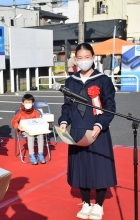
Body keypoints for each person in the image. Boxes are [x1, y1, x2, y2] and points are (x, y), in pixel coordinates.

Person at [58, 43, 116, 220]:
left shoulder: (103, 80)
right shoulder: (71, 81)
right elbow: (67, 106)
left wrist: (100, 125)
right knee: (81, 167)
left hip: (97, 129)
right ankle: (85, 203)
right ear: (76, 59)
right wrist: (64, 121)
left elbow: (110, 106)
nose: (83, 61)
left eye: (87, 57)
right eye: (80, 58)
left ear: (93, 57)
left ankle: (98, 205)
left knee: (100, 167)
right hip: (77, 130)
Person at [11, 94, 45, 165]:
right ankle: (31, 155)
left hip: (35, 129)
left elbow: (39, 120)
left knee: (41, 135)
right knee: (30, 136)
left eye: (29, 102)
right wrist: (18, 126)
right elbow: (14, 121)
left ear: (33, 103)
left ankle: (40, 153)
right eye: (26, 102)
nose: (28, 104)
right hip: (24, 130)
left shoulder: (35, 112)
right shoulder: (20, 112)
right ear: (23, 103)